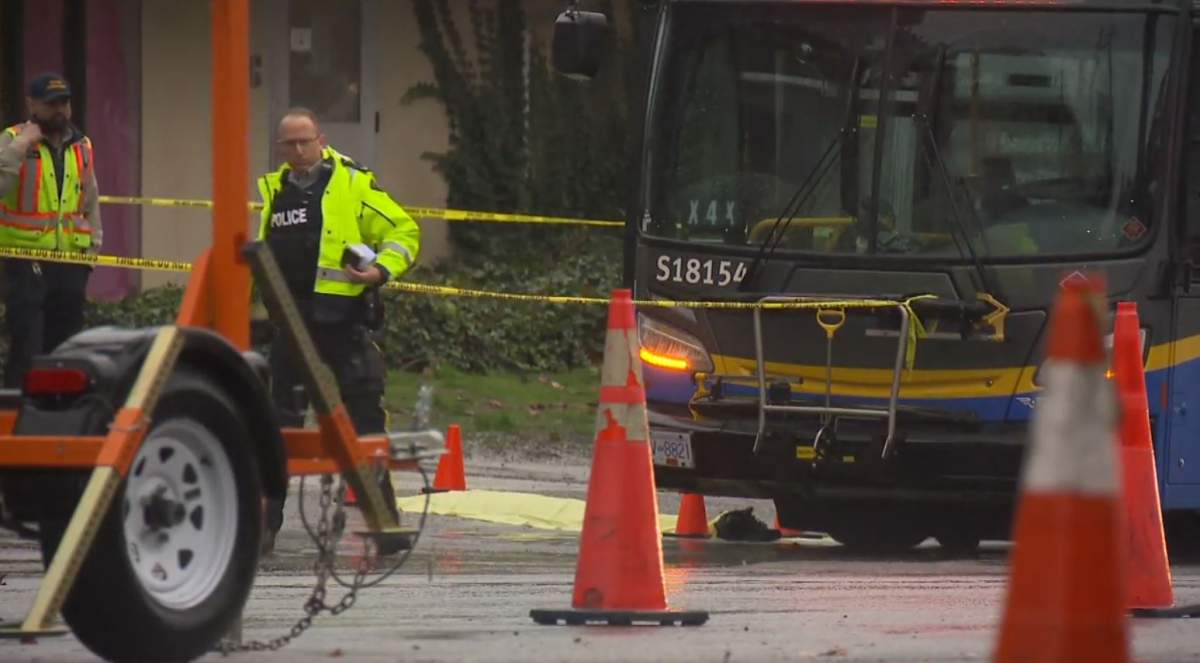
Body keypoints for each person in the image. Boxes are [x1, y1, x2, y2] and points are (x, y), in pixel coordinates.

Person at [258, 108, 420, 554]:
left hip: (341, 322)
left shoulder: (351, 184)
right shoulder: (274, 194)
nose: (296, 151)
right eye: (287, 144)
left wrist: (381, 271)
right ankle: (264, 527)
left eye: (303, 142)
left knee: (365, 420)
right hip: (290, 325)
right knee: (279, 426)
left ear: (321, 140)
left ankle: (385, 523)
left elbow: (404, 230)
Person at [0, 73, 101, 388]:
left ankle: (58, 413)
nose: (59, 109)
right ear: (32, 104)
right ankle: (15, 416)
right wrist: (20, 145)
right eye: (50, 103)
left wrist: (91, 255)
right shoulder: (12, 138)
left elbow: (91, 201)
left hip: (69, 263)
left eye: (64, 102)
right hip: (24, 260)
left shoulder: (81, 145)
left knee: (66, 348)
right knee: (27, 344)